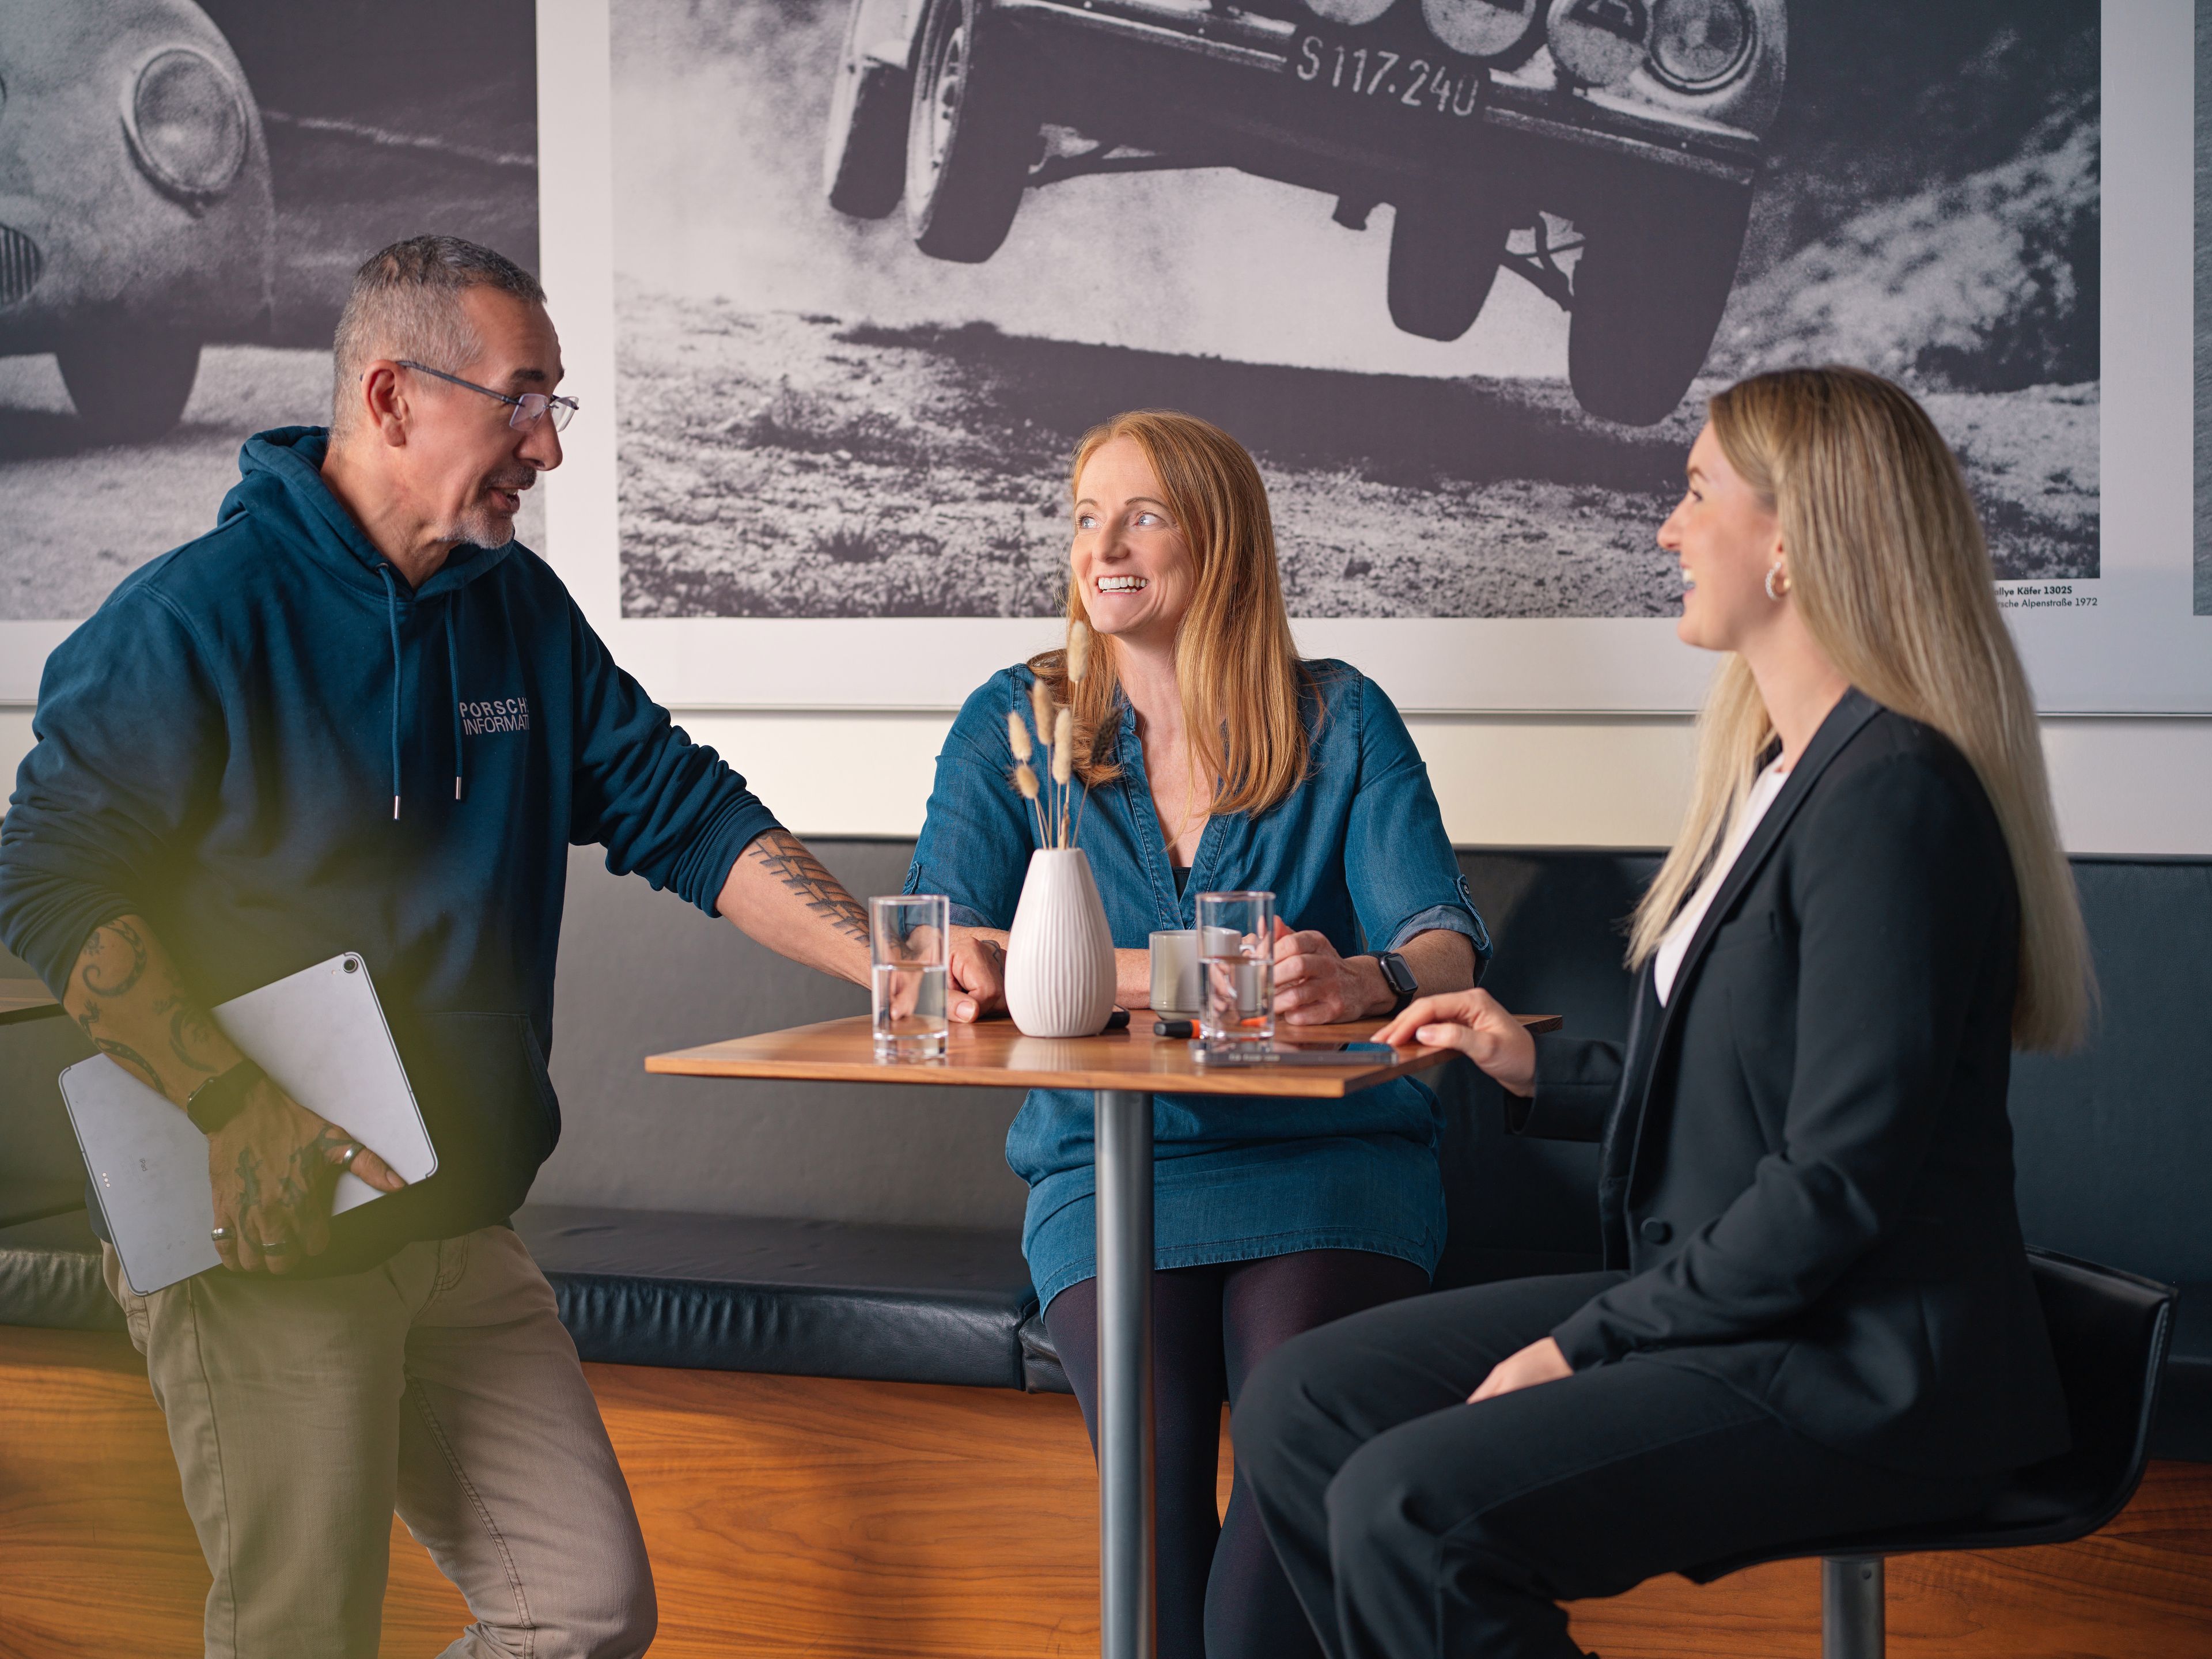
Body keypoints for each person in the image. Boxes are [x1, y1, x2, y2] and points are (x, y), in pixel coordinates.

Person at [0, 235, 997, 1659]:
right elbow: (41, 879)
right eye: (521, 401)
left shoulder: (514, 612)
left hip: (456, 1217)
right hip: (264, 1230)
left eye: (556, 404)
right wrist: (232, 1103)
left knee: (580, 1607)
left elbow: (677, 804)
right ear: (395, 396)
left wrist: (892, 965)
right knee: (302, 1633)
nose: (548, 446)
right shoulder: (189, 622)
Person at [1232, 365, 2092, 1659]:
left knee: (1413, 1509)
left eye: (1695, 494)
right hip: (1757, 1313)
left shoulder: (1893, 796)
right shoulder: (1775, 770)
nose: (1666, 530)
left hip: (1867, 1371)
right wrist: (1538, 1069)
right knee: (1305, 1400)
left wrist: (1584, 1349)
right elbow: (1759, 1077)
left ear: (1793, 542)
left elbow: (1840, 1181)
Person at [905, 409, 1491, 1659]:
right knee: (1153, 1522)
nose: (1101, 545)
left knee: (1282, 1517)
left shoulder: (1343, 716)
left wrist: (1366, 975)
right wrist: (1163, 971)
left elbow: (1446, 942)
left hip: (1332, 1171)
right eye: (1082, 515)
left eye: (1143, 515)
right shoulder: (1017, 723)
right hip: (1104, 1170)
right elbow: (949, 952)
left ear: (1219, 541)